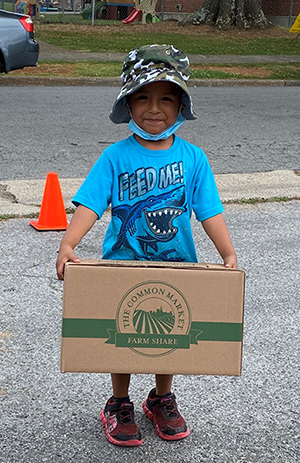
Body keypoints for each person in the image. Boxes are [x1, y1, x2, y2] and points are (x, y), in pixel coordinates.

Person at [56, 44, 238, 447]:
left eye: (166, 98)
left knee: (168, 334)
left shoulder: (194, 159)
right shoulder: (114, 157)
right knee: (121, 333)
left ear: (181, 105)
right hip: (122, 265)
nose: (154, 108)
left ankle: (161, 398)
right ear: (127, 103)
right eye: (143, 97)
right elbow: (90, 204)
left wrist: (227, 253)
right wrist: (68, 244)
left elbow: (209, 209)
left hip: (177, 268)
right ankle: (118, 402)